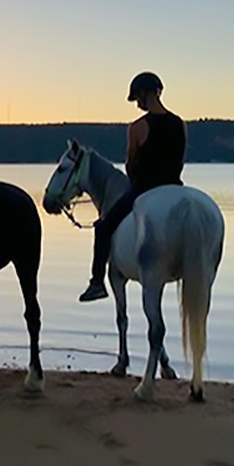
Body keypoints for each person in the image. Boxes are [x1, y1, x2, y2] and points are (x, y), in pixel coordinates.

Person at [79, 72, 187, 302]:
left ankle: (97, 282)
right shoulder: (180, 124)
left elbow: (131, 164)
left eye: (137, 98)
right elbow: (180, 160)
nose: (137, 104)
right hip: (175, 187)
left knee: (104, 226)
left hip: (145, 189)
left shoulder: (137, 127)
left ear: (146, 94)